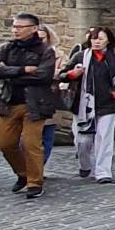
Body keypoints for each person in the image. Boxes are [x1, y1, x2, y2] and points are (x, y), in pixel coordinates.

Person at [0, 13, 58, 199]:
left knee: (30, 143)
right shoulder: (6, 48)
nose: (15, 30)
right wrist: (22, 70)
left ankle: (35, 182)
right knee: (5, 143)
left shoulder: (45, 51)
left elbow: (43, 76)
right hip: (8, 102)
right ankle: (23, 174)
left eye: (20, 27)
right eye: (14, 26)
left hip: (34, 104)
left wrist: (8, 74)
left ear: (33, 28)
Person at [60, 27, 115, 183]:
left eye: (101, 38)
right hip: (83, 104)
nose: (97, 42)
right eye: (94, 38)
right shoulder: (80, 56)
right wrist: (73, 74)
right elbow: (62, 75)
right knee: (83, 141)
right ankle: (85, 165)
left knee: (104, 138)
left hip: (108, 104)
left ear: (108, 40)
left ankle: (103, 172)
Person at [36, 24, 67, 165]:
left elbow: (63, 73)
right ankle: (30, 166)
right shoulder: (24, 54)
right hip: (30, 99)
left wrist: (48, 74)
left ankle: (40, 165)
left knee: (47, 135)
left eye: (42, 38)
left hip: (50, 97)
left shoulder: (58, 55)